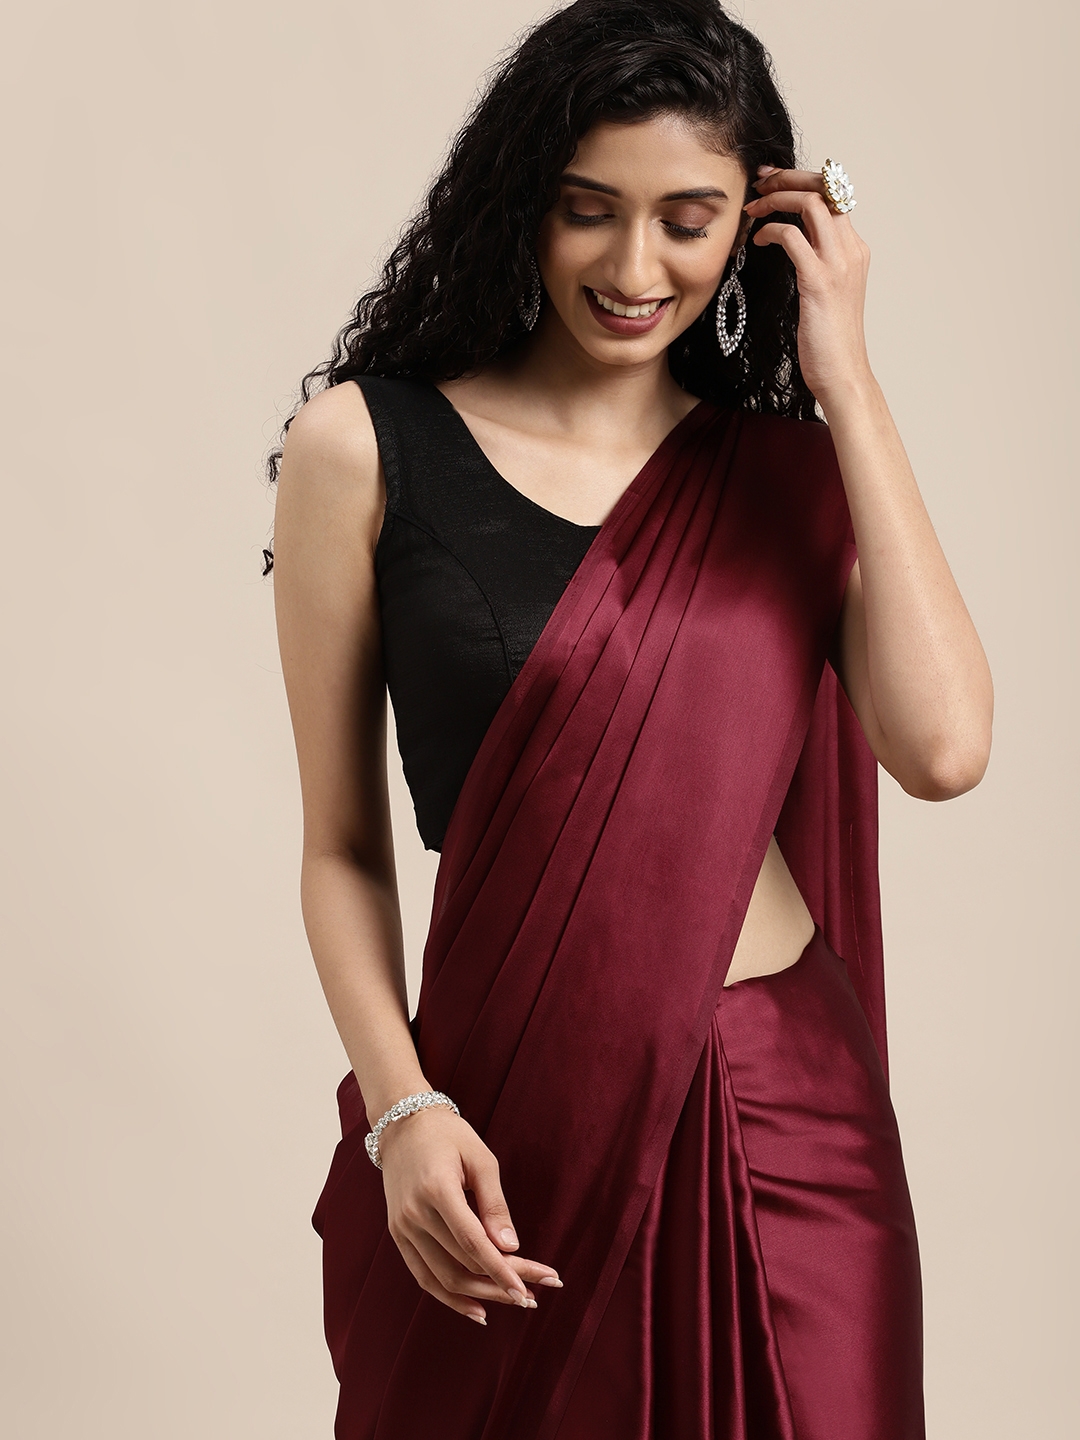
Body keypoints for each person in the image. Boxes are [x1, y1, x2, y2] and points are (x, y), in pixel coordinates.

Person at [269, 2, 992, 1435]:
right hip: (505, 1118)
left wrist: (844, 374)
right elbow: (342, 848)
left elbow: (944, 749)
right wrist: (403, 1112)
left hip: (782, 1123)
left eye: (687, 220)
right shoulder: (364, 449)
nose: (632, 268)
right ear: (520, 199)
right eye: (588, 210)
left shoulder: (787, 474)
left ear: (754, 226)